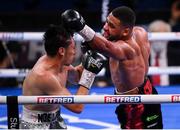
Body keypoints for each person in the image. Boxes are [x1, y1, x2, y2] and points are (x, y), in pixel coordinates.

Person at [61, 6, 163, 129]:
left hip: (136, 105)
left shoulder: (126, 48)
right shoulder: (139, 32)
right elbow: (77, 77)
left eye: (111, 26)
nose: (105, 27)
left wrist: (81, 27)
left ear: (125, 31)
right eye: (107, 22)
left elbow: (106, 47)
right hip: (148, 92)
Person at [20, 25, 106, 129]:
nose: (74, 52)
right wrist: (90, 73)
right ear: (61, 51)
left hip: (55, 119)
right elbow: (77, 107)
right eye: (73, 48)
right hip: (35, 125)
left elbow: (77, 78)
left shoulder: (59, 63)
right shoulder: (44, 76)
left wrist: (87, 58)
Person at [148, 20, 171, 86]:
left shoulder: (177, 57)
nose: (159, 40)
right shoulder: (142, 56)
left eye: (163, 36)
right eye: (157, 34)